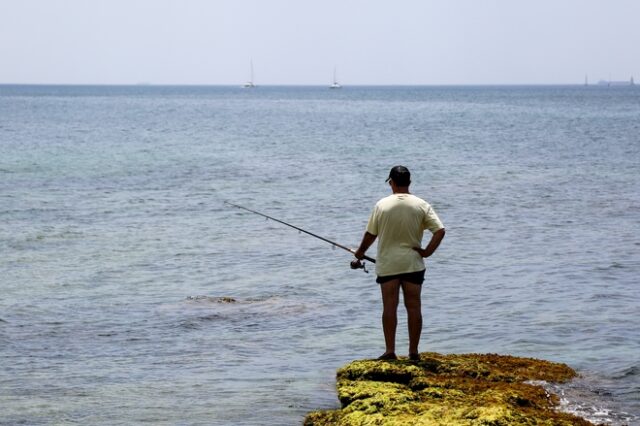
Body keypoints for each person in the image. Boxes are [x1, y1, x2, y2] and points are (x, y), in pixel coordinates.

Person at [353, 165, 445, 361]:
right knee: (414, 307)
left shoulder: (382, 205)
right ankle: (413, 352)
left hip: (388, 264)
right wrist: (427, 252)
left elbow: (371, 234)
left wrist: (360, 252)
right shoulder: (422, 205)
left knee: (389, 307)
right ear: (409, 183)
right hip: (413, 263)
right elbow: (440, 231)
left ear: (391, 183)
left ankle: (390, 351)